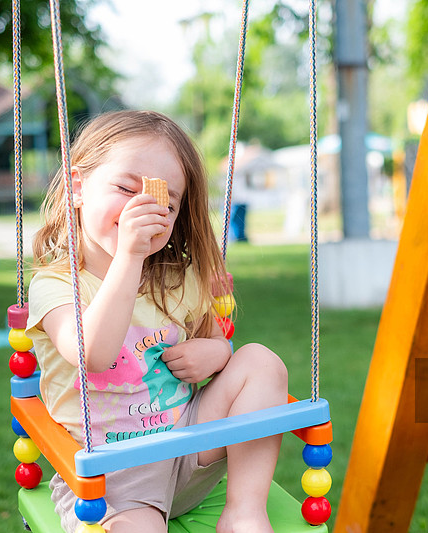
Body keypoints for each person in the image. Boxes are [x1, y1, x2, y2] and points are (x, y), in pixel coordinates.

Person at [26, 110, 288, 533]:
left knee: (260, 361)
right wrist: (129, 256)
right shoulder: (55, 286)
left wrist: (218, 351)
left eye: (164, 203)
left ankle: (244, 511)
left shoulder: (176, 281)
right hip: (111, 480)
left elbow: (213, 342)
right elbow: (91, 354)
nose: (143, 208)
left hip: (187, 450)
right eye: (128, 188)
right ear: (77, 187)